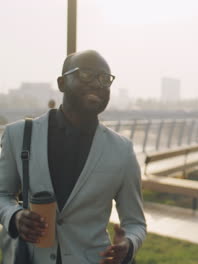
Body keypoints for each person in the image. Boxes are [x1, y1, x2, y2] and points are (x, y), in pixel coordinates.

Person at [0, 50, 146, 264]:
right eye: (86, 74)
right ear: (61, 83)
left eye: (105, 79)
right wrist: (14, 216)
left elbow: (135, 223)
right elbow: (2, 194)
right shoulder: (18, 135)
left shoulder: (122, 150)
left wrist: (129, 244)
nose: (98, 83)